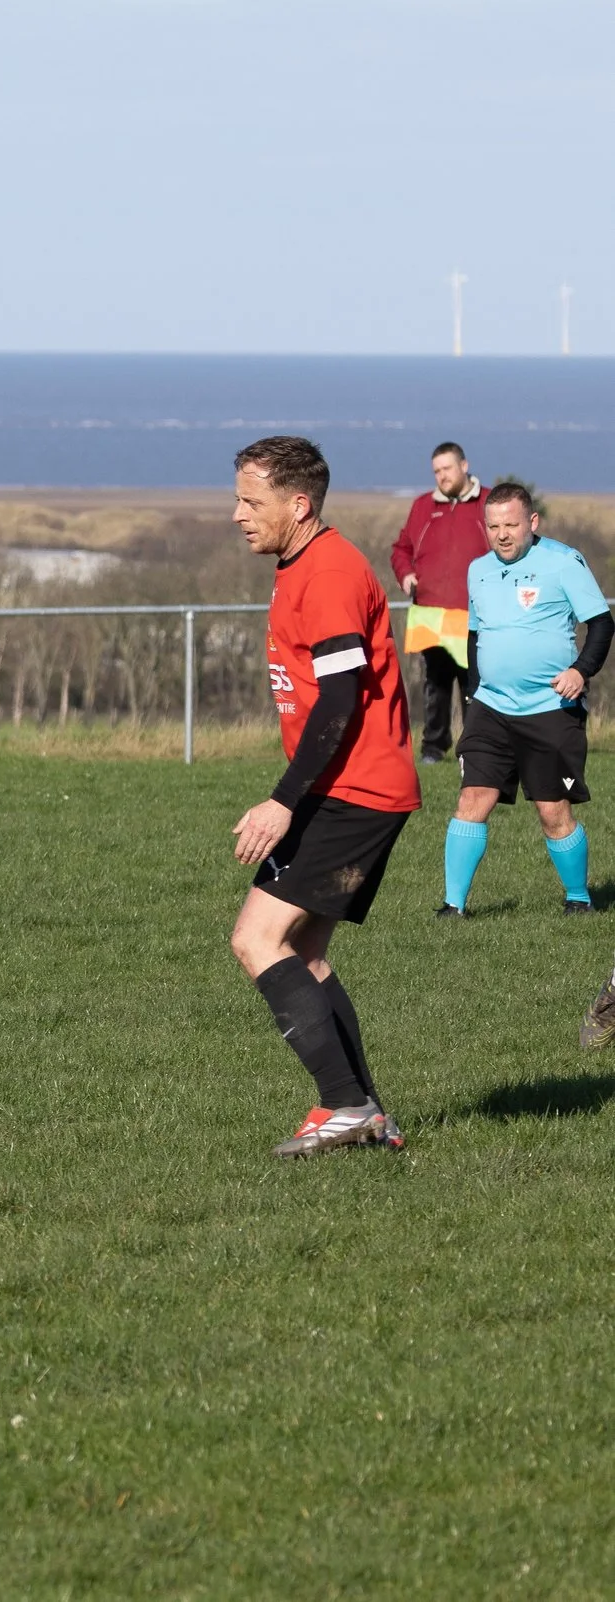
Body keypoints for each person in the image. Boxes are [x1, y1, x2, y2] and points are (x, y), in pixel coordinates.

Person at [228, 436, 421, 1158]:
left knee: (255, 939)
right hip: (351, 787)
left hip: (354, 789)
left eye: (253, 500)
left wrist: (283, 801)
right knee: (303, 951)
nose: (238, 513)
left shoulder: (332, 569)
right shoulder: (299, 563)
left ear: (298, 504)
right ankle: (367, 1114)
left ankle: (344, 1104)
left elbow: (340, 695)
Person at [439, 478, 612, 917]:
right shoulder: (478, 569)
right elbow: (475, 635)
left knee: (552, 810)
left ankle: (578, 899)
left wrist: (580, 670)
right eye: (493, 526)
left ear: (531, 522)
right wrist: (476, 693)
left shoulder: (563, 562)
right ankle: (452, 907)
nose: (502, 534)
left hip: (550, 710)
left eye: (511, 525)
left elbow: (601, 624)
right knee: (472, 798)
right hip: (492, 709)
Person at [390, 442, 490, 762]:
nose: (442, 476)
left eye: (447, 468)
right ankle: (433, 748)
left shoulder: (487, 503)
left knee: (475, 685)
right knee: (435, 686)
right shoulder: (422, 506)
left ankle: (475, 749)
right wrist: (406, 575)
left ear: (464, 465)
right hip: (430, 613)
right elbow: (401, 549)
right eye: (436, 471)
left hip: (473, 613)